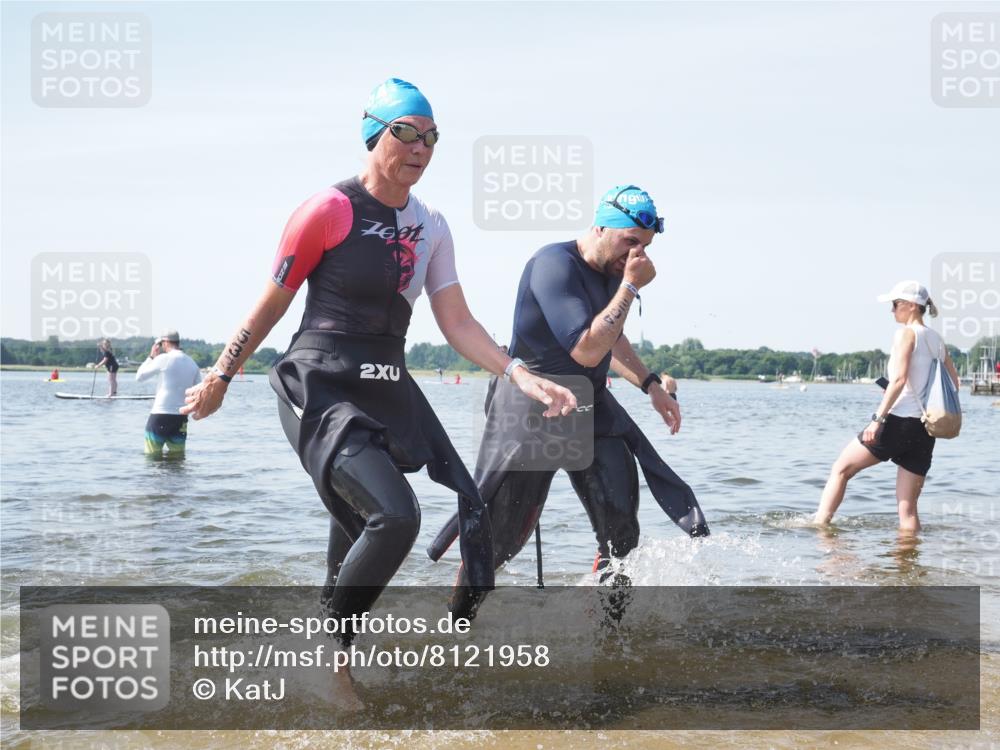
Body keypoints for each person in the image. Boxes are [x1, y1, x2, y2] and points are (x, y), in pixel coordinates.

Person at [180, 78, 575, 707]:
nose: (421, 147)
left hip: (385, 383)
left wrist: (518, 373)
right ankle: (331, 658)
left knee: (367, 518)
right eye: (406, 132)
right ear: (374, 133)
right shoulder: (327, 210)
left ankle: (329, 645)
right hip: (318, 380)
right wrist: (221, 376)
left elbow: (457, 322)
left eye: (432, 137)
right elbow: (272, 304)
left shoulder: (433, 225)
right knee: (395, 516)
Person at [428, 185, 710, 620]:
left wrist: (650, 384)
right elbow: (585, 348)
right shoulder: (553, 266)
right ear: (600, 226)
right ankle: (457, 623)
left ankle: (605, 633)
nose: (636, 254)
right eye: (629, 240)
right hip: (532, 407)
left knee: (621, 530)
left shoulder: (619, 273)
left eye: (645, 245)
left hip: (589, 407)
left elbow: (612, 337)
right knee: (500, 542)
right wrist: (631, 288)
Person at [814, 281, 959, 532]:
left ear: (912, 306)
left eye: (895, 305)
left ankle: (820, 531)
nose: (892, 311)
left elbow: (900, 380)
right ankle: (908, 565)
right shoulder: (937, 340)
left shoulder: (906, 333)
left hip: (897, 421)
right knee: (908, 510)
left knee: (841, 470)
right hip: (924, 430)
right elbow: (954, 383)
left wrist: (876, 420)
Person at [135, 330, 202, 458]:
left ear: (165, 343)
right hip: (180, 418)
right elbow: (199, 389)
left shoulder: (164, 358)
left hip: (160, 415)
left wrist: (151, 357)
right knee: (177, 461)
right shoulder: (192, 363)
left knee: (152, 460)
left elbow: (139, 377)